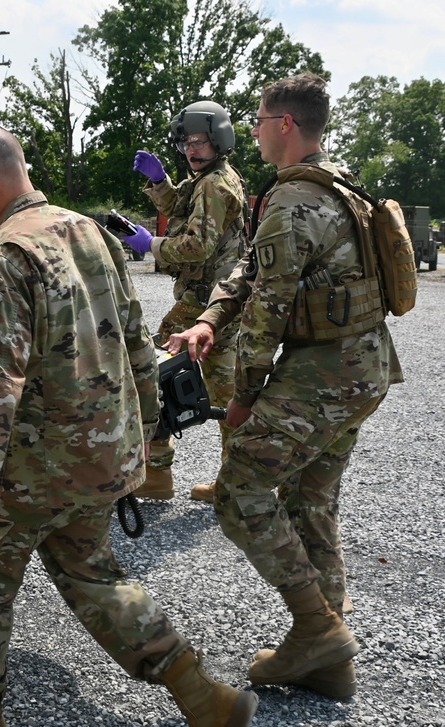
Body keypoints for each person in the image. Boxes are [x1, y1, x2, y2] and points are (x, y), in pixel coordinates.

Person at [0, 119, 258, 727]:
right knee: (94, 574)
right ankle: (206, 699)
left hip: (33, 471)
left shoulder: (4, 259)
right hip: (101, 458)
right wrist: (147, 439)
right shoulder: (91, 233)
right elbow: (137, 345)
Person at [166, 72, 403, 698]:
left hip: (325, 373)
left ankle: (314, 629)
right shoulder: (337, 185)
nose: (254, 129)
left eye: (261, 120)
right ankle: (329, 662)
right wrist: (209, 319)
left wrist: (243, 399)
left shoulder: (295, 200)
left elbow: (269, 311)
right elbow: (253, 268)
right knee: (309, 501)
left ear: (286, 126)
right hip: (363, 369)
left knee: (239, 486)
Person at [122, 101, 248, 503]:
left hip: (206, 305)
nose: (191, 150)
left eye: (199, 141)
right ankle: (234, 485)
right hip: (215, 303)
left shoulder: (214, 183)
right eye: (185, 143)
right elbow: (182, 209)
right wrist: (160, 183)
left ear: (219, 140)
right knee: (225, 392)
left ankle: (158, 473)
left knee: (152, 374)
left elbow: (196, 245)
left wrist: (151, 245)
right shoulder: (211, 177)